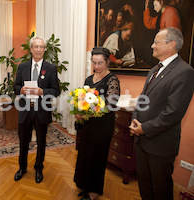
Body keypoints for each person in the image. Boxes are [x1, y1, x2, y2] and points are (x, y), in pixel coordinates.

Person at [129, 27, 194, 200]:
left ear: (171, 44)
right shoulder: (154, 70)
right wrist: (135, 120)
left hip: (160, 144)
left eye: (156, 42)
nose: (152, 46)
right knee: (144, 184)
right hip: (142, 140)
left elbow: (173, 113)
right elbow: (142, 100)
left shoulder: (184, 72)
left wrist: (144, 128)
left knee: (160, 189)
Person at [74, 47, 120, 200]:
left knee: (97, 157)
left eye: (100, 63)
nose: (97, 66)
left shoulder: (112, 80)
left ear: (107, 62)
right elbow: (82, 99)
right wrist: (79, 110)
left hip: (103, 125)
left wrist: (88, 112)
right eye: (94, 62)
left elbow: (111, 105)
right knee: (86, 154)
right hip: (88, 124)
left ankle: (93, 191)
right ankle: (86, 185)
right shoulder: (89, 79)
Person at [13, 36, 60, 183]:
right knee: (23, 141)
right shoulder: (22, 67)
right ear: (31, 49)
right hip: (25, 109)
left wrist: (43, 92)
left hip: (42, 110)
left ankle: (39, 168)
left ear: (44, 49)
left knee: (41, 142)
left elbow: (56, 90)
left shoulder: (51, 68)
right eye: (36, 47)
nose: (39, 49)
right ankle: (22, 168)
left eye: (41, 47)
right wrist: (21, 89)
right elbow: (15, 87)